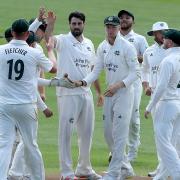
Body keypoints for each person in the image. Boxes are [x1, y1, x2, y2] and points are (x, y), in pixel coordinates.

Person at [73, 15, 140, 180]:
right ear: (106, 28)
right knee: (108, 133)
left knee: (119, 133)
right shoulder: (102, 47)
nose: (111, 30)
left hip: (123, 94)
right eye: (108, 27)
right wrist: (82, 81)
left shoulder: (127, 47)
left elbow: (136, 72)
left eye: (113, 27)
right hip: (110, 94)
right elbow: (96, 71)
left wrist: (118, 85)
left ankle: (114, 173)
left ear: (118, 28)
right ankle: (126, 168)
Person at [45, 11, 103, 179]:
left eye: (79, 24)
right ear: (69, 25)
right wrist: (50, 25)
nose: (76, 26)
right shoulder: (63, 40)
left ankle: (84, 168)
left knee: (87, 132)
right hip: (68, 93)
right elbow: (48, 39)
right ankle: (66, 172)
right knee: (66, 133)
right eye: (73, 24)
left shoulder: (89, 43)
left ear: (84, 24)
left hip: (86, 93)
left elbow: (92, 69)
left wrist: (99, 92)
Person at [0, 18, 57, 180]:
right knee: (31, 145)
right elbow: (53, 68)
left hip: (4, 106)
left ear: (12, 33)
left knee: (4, 145)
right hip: (26, 105)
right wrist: (51, 51)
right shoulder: (35, 52)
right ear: (27, 34)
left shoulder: (1, 50)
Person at [144, 29, 180, 180]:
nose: (162, 41)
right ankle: (161, 176)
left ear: (170, 42)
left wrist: (149, 106)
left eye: (165, 39)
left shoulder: (168, 61)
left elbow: (161, 87)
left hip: (166, 104)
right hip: (177, 103)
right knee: (171, 142)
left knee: (164, 144)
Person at [118, 10, 149, 163]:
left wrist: (131, 55)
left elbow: (146, 59)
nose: (124, 20)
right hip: (116, 83)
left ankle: (132, 151)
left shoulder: (139, 39)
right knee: (117, 118)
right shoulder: (113, 37)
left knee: (132, 119)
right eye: (121, 18)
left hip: (134, 83)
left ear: (133, 21)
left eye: (127, 18)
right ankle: (118, 152)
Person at [142, 21, 169, 178]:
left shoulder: (174, 50)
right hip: (155, 98)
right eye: (160, 32)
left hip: (171, 97)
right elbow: (144, 70)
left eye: (165, 31)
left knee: (171, 135)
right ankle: (161, 167)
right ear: (154, 35)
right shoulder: (149, 51)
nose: (163, 34)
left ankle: (168, 167)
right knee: (159, 134)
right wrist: (146, 86)